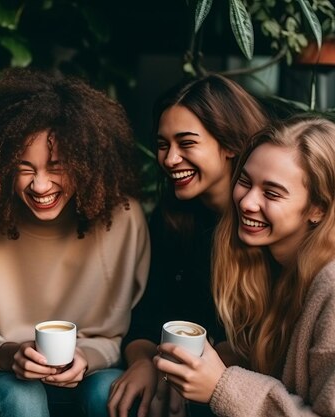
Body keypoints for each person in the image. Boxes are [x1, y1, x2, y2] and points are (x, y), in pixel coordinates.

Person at [0, 68, 151, 417]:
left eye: (57, 166)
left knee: (106, 392)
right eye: (23, 166)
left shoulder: (123, 217)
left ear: (88, 162)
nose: (40, 185)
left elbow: (114, 338)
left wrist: (86, 358)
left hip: (87, 376)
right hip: (2, 380)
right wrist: (8, 353)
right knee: (24, 397)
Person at [155, 116, 335, 416]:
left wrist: (222, 386)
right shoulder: (272, 263)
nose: (246, 202)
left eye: (271, 193)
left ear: (318, 207)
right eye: (244, 182)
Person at [108, 74, 268, 417]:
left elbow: (263, 342)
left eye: (186, 143)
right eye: (163, 144)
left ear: (229, 144)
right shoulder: (171, 221)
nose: (169, 159)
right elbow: (144, 320)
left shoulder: (264, 226)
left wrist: (183, 375)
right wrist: (144, 364)